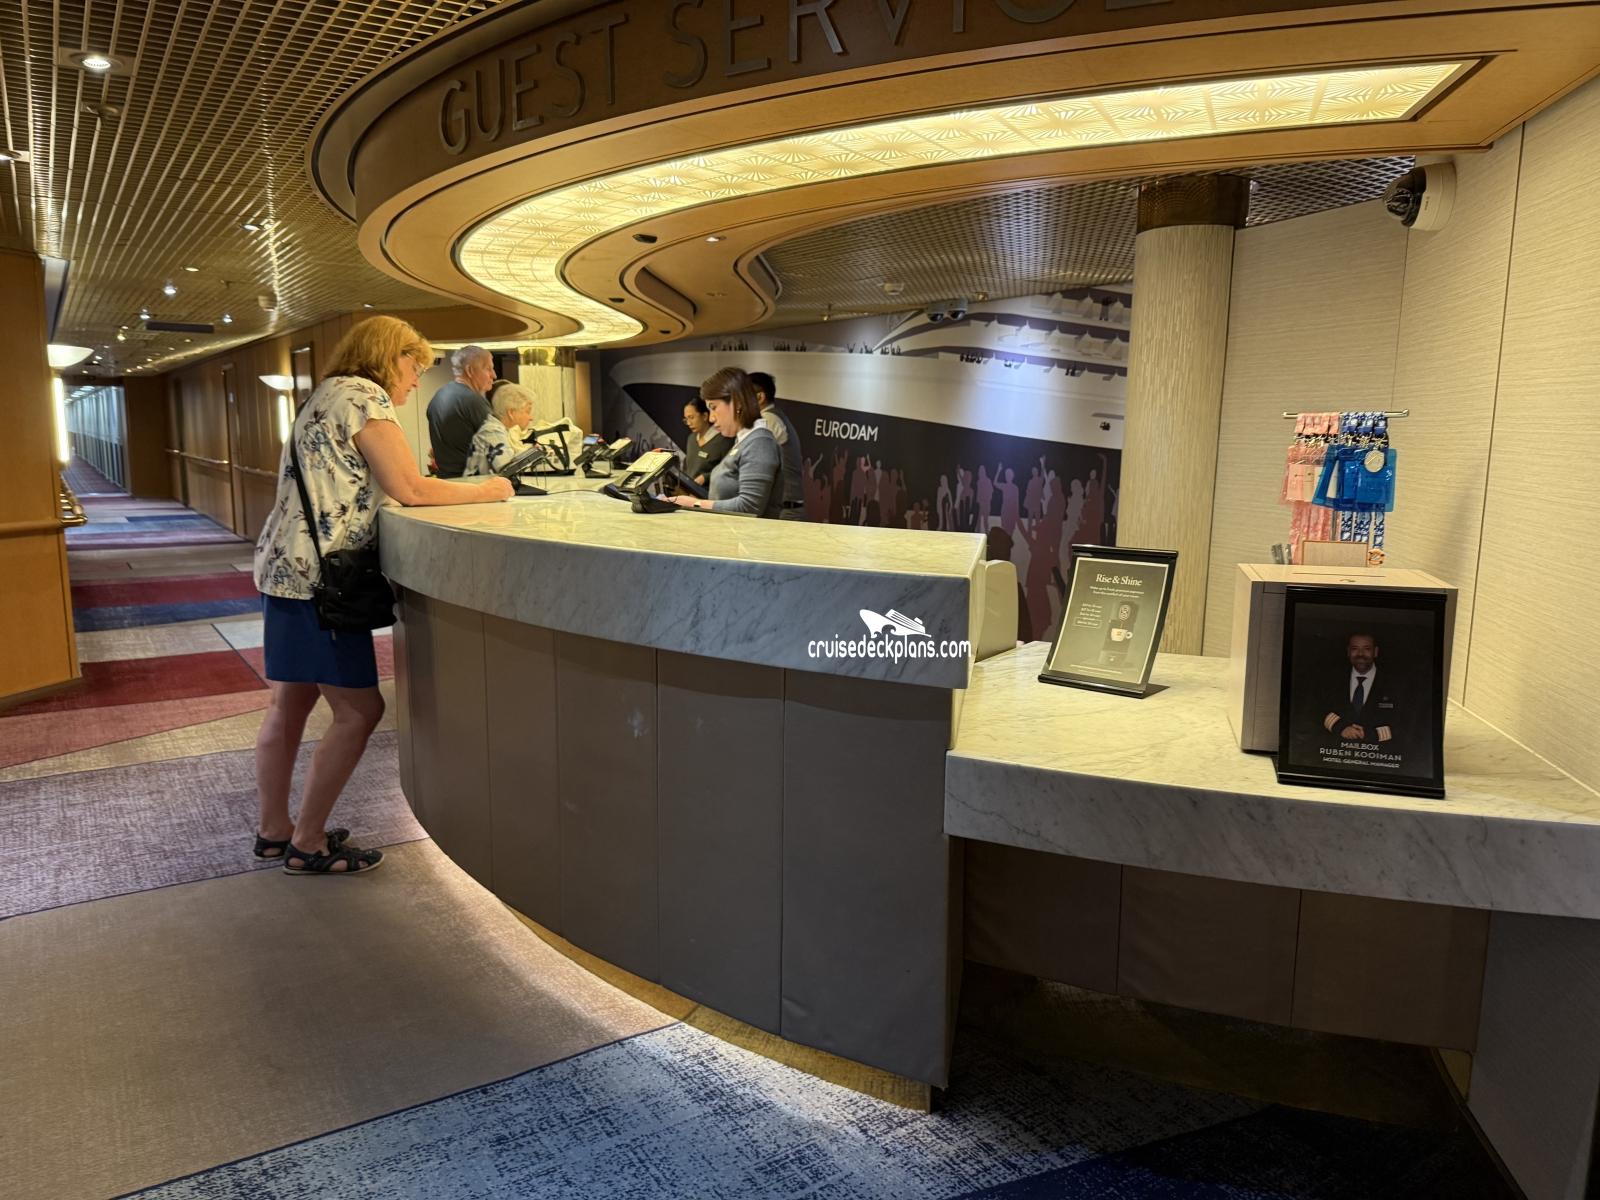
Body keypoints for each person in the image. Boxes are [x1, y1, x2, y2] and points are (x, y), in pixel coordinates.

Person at [253, 317, 513, 875]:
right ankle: (308, 843)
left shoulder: (324, 392)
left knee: (289, 703)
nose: (416, 380)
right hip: (322, 579)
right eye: (413, 366)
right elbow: (410, 488)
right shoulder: (365, 396)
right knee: (360, 710)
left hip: (285, 568)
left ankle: (274, 831)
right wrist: (488, 490)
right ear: (387, 357)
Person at [671, 368, 782, 518]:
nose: (711, 418)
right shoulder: (744, 440)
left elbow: (749, 507)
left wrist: (694, 503)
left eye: (714, 408)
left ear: (737, 402)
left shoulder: (760, 443)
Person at [1319, 632, 1401, 748]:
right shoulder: (1331, 679)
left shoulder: (1395, 684)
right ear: (1348, 651)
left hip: (1381, 752)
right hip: (1336, 749)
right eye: (1355, 649)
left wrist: (1370, 734)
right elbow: (1318, 709)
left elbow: (1405, 721)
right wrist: (1340, 727)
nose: (1360, 654)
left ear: (1375, 652)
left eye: (1367, 649)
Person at [425, 345, 495, 477]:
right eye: (488, 369)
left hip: (446, 481)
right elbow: (498, 450)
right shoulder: (474, 401)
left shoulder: (438, 396)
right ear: (470, 371)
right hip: (473, 482)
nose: (494, 375)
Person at [750, 371, 805, 520]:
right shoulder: (771, 417)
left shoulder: (768, 421)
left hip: (783, 513)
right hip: (781, 510)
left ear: (760, 397)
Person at [463, 382, 536, 476]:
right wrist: (535, 454)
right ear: (511, 413)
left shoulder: (496, 429)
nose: (531, 418)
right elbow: (508, 469)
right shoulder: (492, 431)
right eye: (527, 411)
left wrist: (532, 452)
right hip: (479, 484)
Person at [681, 396, 732, 487]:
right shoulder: (691, 439)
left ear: (705, 416)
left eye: (691, 418)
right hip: (690, 492)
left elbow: (729, 470)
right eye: (686, 419)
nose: (688, 423)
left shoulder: (723, 440)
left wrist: (706, 477)